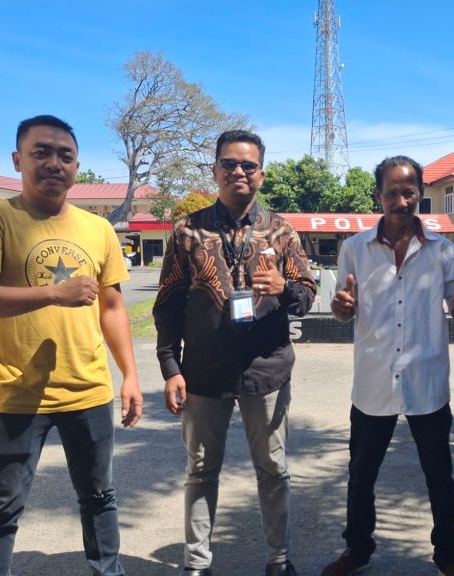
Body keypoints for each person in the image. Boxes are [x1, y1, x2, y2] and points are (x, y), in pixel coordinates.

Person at [0, 114, 143, 576]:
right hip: (16, 393)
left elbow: (112, 308)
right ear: (17, 160)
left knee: (99, 497)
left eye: (65, 155)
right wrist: (53, 293)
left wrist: (130, 376)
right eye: (41, 152)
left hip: (88, 389)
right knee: (1, 507)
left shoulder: (98, 229)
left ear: (77, 166)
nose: (54, 163)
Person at [153, 129, 316, 576]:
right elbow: (167, 304)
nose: (238, 171)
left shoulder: (281, 230)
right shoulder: (187, 231)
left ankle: (278, 560)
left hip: (267, 370)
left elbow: (307, 294)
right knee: (201, 470)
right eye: (229, 163)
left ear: (261, 174)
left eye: (248, 165)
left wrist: (285, 288)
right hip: (204, 372)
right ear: (215, 171)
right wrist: (170, 367)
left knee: (273, 469)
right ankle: (196, 564)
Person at [321, 156, 454, 576]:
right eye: (392, 192)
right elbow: (344, 307)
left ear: (420, 193)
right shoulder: (354, 249)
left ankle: (447, 554)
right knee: (361, 476)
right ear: (378, 196)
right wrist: (340, 307)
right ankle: (357, 550)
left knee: (440, 476)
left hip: (427, 379)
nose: (401, 201)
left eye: (409, 192)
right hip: (374, 380)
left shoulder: (444, 251)